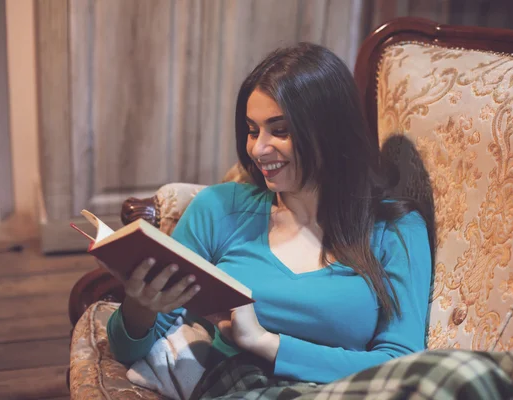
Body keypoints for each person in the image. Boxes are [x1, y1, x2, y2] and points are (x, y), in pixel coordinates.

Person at [106, 42, 433, 391]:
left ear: (332, 133)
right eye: (252, 130)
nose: (258, 149)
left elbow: (401, 363)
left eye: (280, 130)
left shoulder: (397, 230)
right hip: (236, 387)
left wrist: (266, 343)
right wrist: (139, 307)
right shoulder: (219, 209)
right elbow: (129, 348)